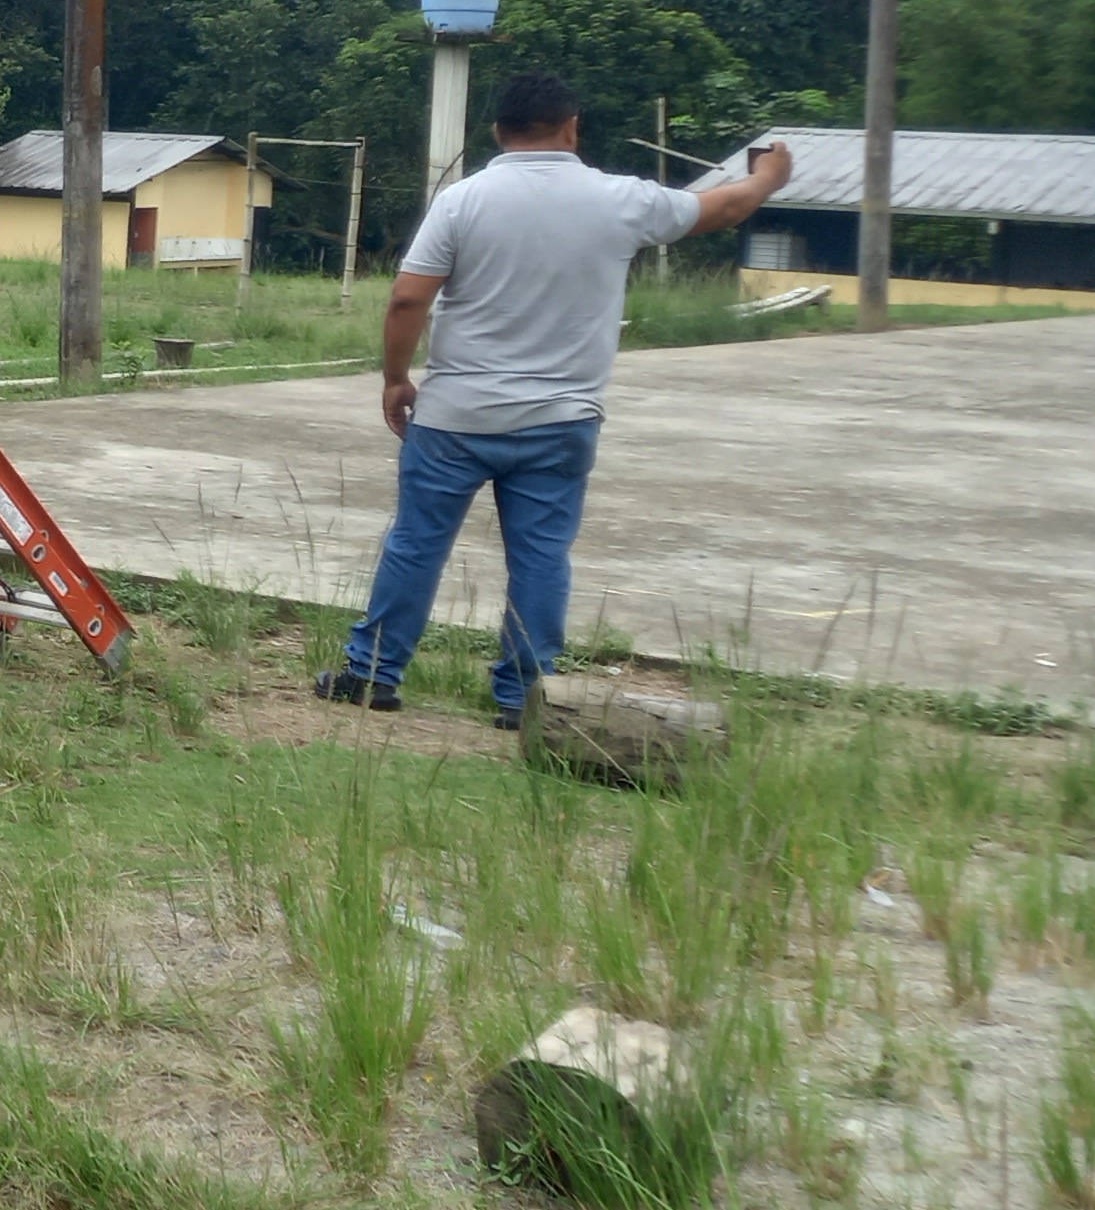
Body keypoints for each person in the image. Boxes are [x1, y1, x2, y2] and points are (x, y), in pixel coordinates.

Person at [318, 69, 792, 726]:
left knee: (417, 544)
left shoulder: (462, 201)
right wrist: (768, 176)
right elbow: (725, 208)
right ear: (572, 128)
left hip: (455, 416)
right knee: (540, 558)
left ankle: (373, 674)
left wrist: (395, 378)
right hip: (562, 420)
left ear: (498, 132)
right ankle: (524, 699)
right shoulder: (619, 199)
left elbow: (407, 298)